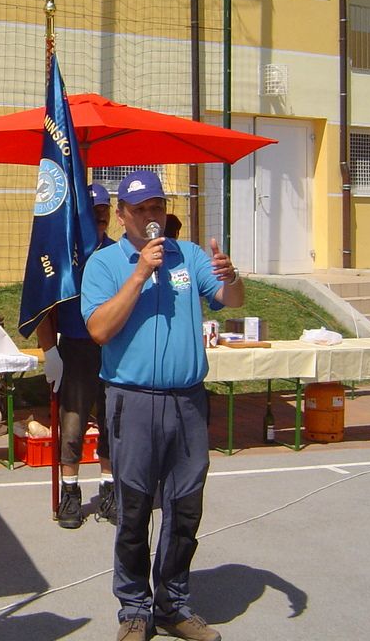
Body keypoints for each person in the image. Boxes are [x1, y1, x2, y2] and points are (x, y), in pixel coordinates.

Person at [80, 169, 244, 641]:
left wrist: (231, 277)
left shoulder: (188, 255)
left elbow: (230, 300)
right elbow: (99, 330)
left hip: (187, 402)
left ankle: (173, 605)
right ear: (122, 215)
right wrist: (139, 274)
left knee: (185, 508)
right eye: (140, 209)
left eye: (157, 206)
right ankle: (134, 608)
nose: (150, 215)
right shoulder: (105, 264)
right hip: (132, 402)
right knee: (134, 510)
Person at [37, 182, 117, 529]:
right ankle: (70, 491)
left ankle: (110, 488)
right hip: (76, 346)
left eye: (104, 210)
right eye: (92, 211)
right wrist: (49, 351)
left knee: (113, 422)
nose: (99, 216)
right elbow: (42, 306)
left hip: (113, 347)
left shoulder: (118, 253)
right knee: (72, 424)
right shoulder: (62, 258)